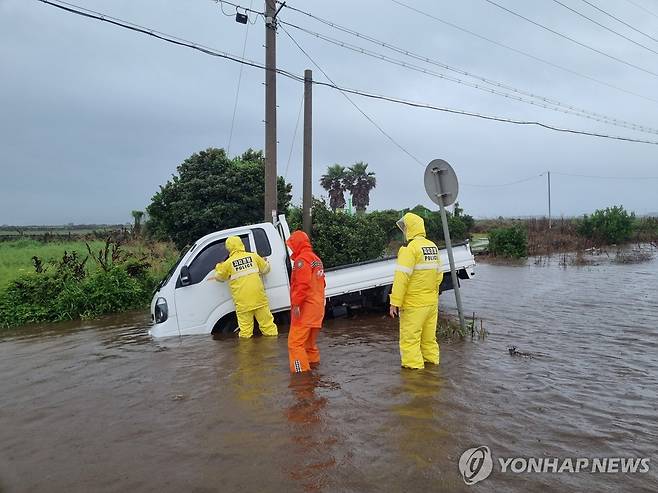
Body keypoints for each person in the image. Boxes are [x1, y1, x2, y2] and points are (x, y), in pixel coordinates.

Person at [389, 212, 443, 369]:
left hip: (414, 304)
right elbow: (439, 276)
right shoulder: (432, 247)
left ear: (409, 229)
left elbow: (401, 279)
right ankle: (433, 373)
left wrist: (394, 303)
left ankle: (416, 381)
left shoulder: (409, 249)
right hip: (431, 304)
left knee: (410, 341)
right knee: (429, 341)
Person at [212, 236, 278, 338]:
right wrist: (266, 262)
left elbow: (219, 278)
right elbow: (266, 269)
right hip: (259, 299)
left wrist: (218, 267)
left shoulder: (228, 263)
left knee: (246, 333)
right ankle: (274, 350)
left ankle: (246, 352)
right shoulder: (253, 256)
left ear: (229, 248)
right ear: (241, 244)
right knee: (268, 327)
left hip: (243, 303)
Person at [286, 230, 326, 373]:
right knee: (309, 344)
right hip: (317, 308)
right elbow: (322, 284)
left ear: (297, 244)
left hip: (305, 309)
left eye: (292, 245)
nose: (291, 248)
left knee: (295, 344)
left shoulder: (301, 260)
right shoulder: (316, 259)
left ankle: (301, 375)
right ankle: (314, 368)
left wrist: (296, 304)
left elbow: (302, 285)